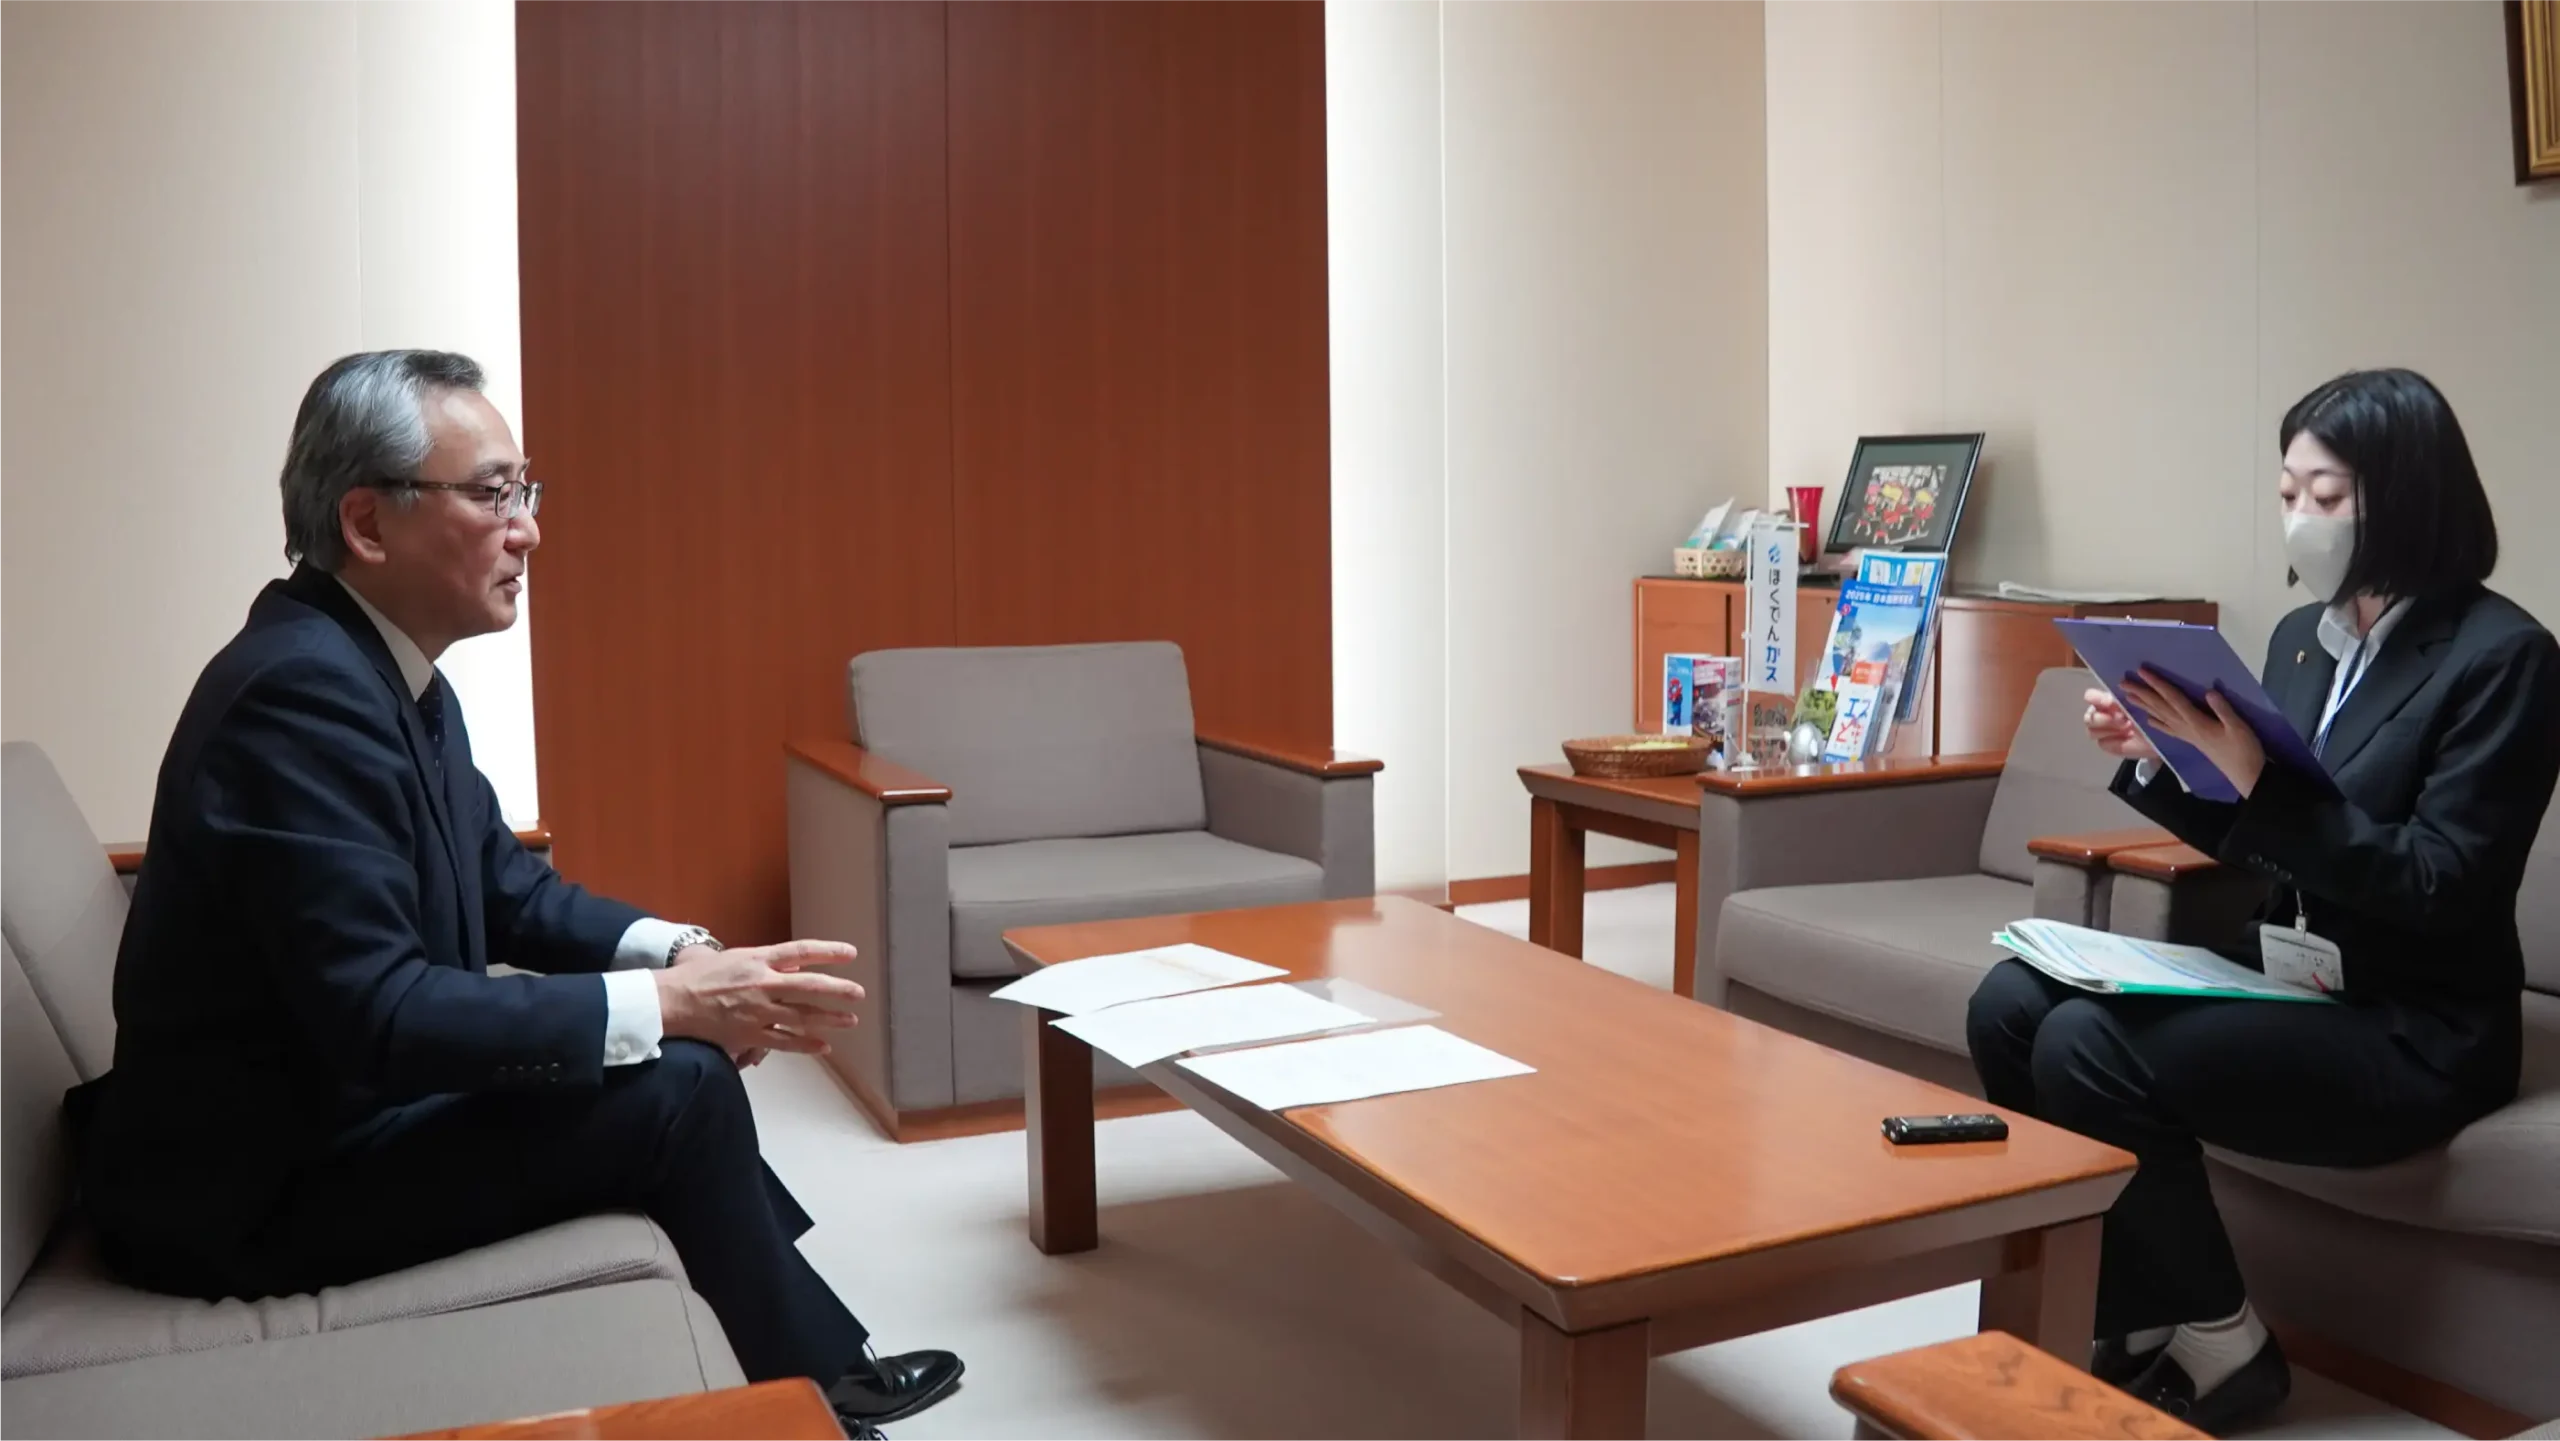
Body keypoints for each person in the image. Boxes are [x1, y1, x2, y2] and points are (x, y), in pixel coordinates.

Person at [77, 351, 963, 1439]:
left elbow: (506, 886)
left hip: (329, 1122)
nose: (528, 529)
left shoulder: (381, 670)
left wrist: (680, 954)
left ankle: (818, 1375)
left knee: (674, 1074)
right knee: (676, 1085)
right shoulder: (298, 694)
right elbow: (381, 1012)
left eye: (525, 491)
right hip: (251, 1190)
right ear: (367, 521)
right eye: (493, 493)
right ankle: (820, 1396)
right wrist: (676, 1008)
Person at [1965, 368, 2560, 1435]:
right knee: (2008, 1004)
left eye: (2326, 496)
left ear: (2406, 494)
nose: (2301, 519)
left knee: (2085, 1045)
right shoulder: (2298, 638)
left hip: (2410, 1021)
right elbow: (2266, 837)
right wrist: (2164, 757)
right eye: (2288, 493)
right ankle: (2129, 1314)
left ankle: (2223, 1342)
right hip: (2287, 969)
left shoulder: (2503, 658)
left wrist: (2252, 784)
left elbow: (2438, 883)